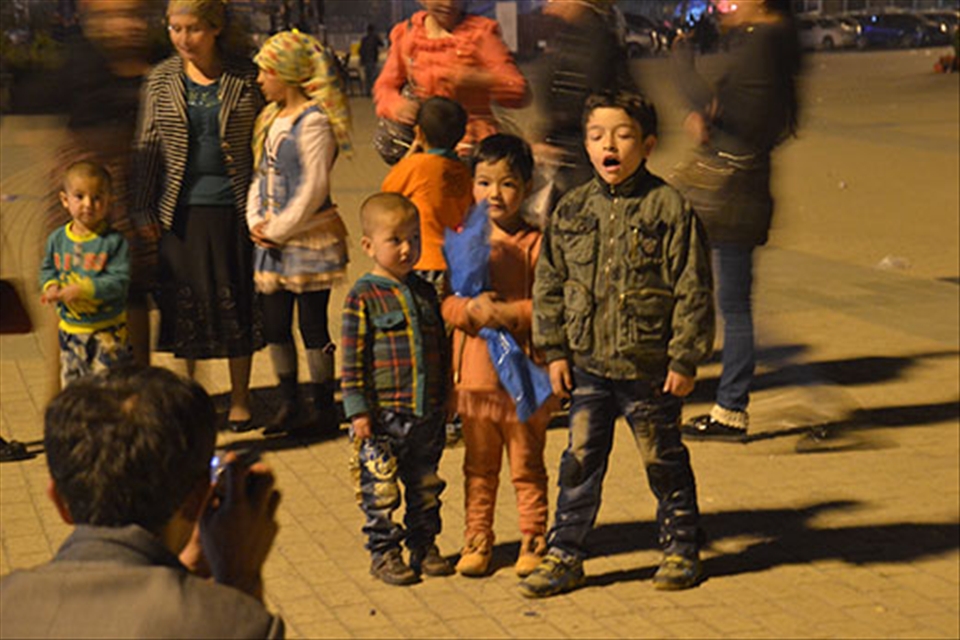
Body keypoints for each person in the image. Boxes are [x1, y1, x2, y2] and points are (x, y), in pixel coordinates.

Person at [520, 91, 715, 598]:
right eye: (597, 135)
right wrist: (555, 350)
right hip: (586, 366)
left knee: (663, 460)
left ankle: (680, 546)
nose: (610, 146)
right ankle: (566, 554)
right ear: (585, 145)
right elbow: (549, 283)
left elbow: (692, 286)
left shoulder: (667, 206)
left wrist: (684, 357)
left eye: (623, 135)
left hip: (648, 368)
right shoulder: (572, 208)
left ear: (647, 145)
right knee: (579, 462)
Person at [0, 366, 284, 638]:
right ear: (199, 497)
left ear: (59, 501)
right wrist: (240, 582)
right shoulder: (233, 624)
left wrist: (179, 570)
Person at [672, 0, 801, 442]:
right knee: (731, 301)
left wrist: (681, 66)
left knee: (733, 305)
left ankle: (730, 408)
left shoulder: (761, 47)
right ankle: (729, 400)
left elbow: (733, 116)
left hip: (731, 195)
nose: (722, 6)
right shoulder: (774, 44)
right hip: (746, 188)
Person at [132, 0, 264, 432]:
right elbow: (147, 144)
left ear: (215, 28)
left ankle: (242, 398)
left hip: (235, 208)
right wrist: (142, 205)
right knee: (184, 307)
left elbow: (264, 139)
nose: (183, 38)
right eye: (174, 28)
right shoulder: (160, 79)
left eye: (192, 29)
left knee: (235, 303)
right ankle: (193, 395)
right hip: (180, 210)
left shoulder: (246, 75)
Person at [441, 134, 555, 577]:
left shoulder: (538, 244)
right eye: (485, 182)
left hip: (524, 380)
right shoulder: (463, 241)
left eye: (507, 184)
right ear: (472, 185)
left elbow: (551, 306)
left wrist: (508, 313)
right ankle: (477, 539)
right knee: (478, 467)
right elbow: (446, 304)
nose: (494, 193)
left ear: (526, 188)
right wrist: (469, 310)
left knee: (527, 465)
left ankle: (533, 535)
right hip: (475, 381)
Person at [341, 193, 454, 586]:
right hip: (382, 417)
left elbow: (441, 347)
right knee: (381, 489)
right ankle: (384, 552)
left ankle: (425, 545)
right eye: (395, 240)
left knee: (426, 486)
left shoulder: (425, 292)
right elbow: (351, 359)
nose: (408, 249)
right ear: (369, 245)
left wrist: (448, 395)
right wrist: (357, 411)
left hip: (426, 412)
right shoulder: (362, 296)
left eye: (414, 238)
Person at [247, 30, 352, 436]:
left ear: (287, 75)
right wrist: (256, 219)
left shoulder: (314, 122)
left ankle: (323, 404)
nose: (259, 80)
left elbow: (313, 185)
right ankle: (288, 401)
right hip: (272, 239)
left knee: (312, 325)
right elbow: (261, 174)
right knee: (274, 324)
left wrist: (280, 227)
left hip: (308, 237)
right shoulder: (270, 118)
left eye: (265, 72)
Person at [373, 0, 529, 158]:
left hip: (470, 146)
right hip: (425, 144)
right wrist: (397, 105)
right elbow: (385, 85)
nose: (448, 4)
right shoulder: (408, 34)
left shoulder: (480, 34)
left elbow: (518, 89)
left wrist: (479, 80)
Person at [528, 0, 636, 224]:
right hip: (577, 153)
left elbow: (581, 97)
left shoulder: (589, 37)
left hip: (582, 158)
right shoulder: (578, 34)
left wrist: (553, 134)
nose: (548, 4)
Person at [39, 161, 132, 387]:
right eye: (79, 196)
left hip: (107, 332)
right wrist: (50, 286)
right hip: (71, 332)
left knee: (109, 389)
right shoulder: (58, 239)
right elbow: (48, 268)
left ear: (109, 201)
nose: (88, 204)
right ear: (65, 200)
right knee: (74, 387)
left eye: (97, 197)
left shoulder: (114, 242)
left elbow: (119, 282)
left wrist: (84, 289)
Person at [381, 96, 473, 298]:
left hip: (423, 260)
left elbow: (388, 194)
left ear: (419, 132)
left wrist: (412, 151)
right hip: (457, 262)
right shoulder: (464, 171)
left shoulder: (417, 166)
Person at [358, 24, 382, 97]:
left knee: (367, 76)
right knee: (373, 76)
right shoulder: (375, 38)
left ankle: (367, 91)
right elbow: (381, 44)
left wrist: (361, 60)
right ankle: (373, 91)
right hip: (372, 59)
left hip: (365, 60)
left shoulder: (364, 39)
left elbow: (360, 50)